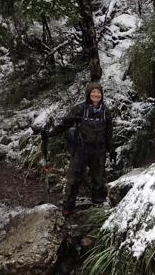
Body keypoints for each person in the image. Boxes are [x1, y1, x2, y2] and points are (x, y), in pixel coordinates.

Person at [34, 82, 115, 217]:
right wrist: (50, 133)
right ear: (88, 94)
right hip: (81, 149)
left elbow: (109, 132)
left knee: (98, 179)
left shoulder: (106, 112)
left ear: (102, 95)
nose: (96, 94)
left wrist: (111, 148)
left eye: (98, 92)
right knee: (74, 179)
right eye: (93, 92)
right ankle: (68, 207)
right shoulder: (80, 109)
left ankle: (98, 204)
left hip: (99, 151)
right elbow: (65, 124)